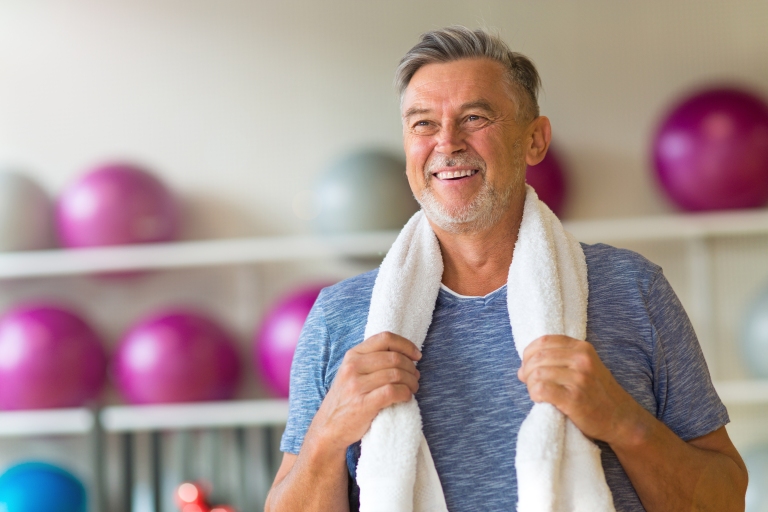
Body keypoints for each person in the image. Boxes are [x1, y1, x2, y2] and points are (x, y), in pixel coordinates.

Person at [265, 26, 748, 512]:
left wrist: (622, 421)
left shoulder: (632, 289)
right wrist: (327, 434)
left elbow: (724, 501)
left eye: (475, 117)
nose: (447, 142)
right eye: (423, 124)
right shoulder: (339, 316)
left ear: (534, 141)